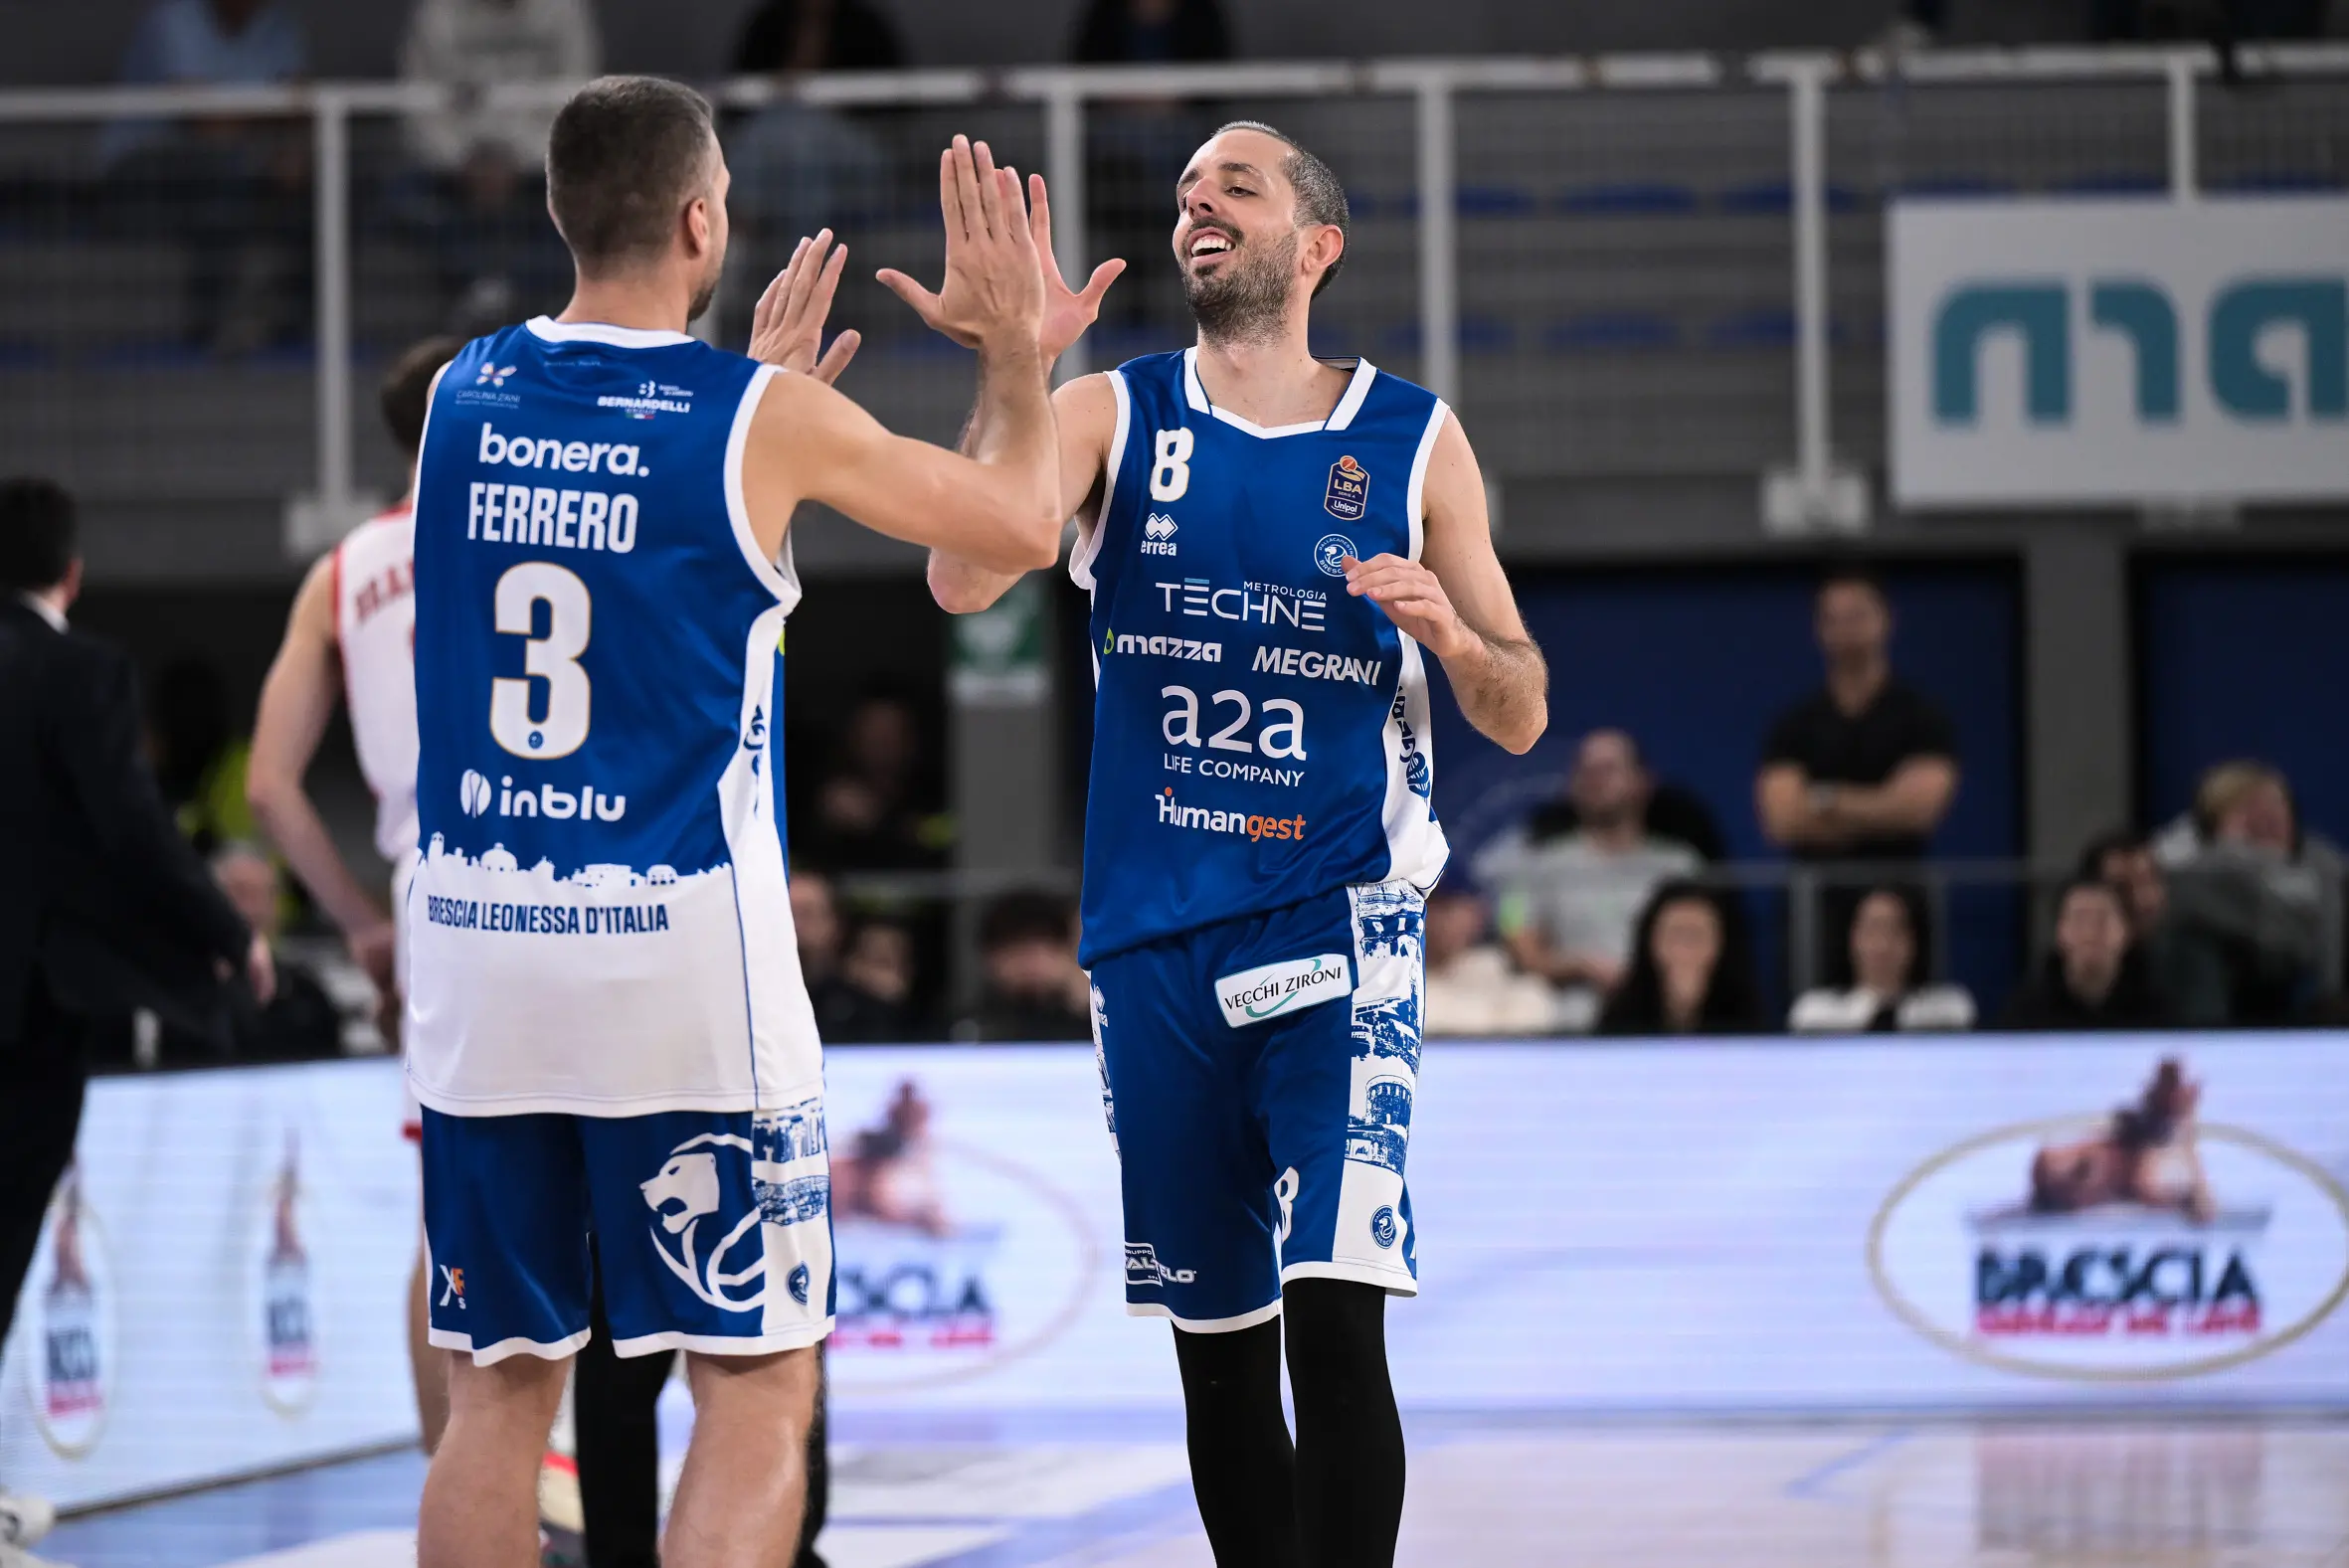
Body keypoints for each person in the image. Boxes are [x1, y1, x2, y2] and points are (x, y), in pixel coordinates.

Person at [403, 76, 1060, 1568]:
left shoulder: (459, 394)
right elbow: (1020, 525)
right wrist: (1012, 349)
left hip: (482, 952)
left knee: (495, 1394)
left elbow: (632, 527)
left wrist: (741, 435)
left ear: (567, 212)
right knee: (757, 1386)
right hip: (675, 962)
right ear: (704, 221)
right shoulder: (753, 417)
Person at [917, 121, 1548, 1567]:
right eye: (1188, 190)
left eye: (1236, 188)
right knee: (1218, 1348)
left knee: (1335, 1315)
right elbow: (961, 572)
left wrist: (1453, 637)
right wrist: (1015, 360)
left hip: (1339, 920)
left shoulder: (1412, 436)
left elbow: (1517, 709)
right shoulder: (1108, 413)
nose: (1199, 204)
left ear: (1312, 245)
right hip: (1153, 943)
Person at [1, 477, 271, 1568]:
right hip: (27, 1011)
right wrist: (230, 930)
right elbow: (132, 829)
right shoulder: (82, 670)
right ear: (70, 572)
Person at [248, 333, 458, 1451]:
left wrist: (368, 927)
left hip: (429, 891)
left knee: (451, 1221)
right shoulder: (550, 517)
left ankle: (465, 1491)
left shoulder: (343, 570)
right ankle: (576, 1479)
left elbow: (271, 786)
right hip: (573, 865)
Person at [1755, 569, 1960, 987]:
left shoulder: (1922, 717)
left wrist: (1826, 800)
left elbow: (1918, 811)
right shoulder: (1795, 724)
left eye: (1858, 615)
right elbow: (1783, 821)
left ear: (1887, 619)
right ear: (1819, 629)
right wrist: (1880, 804)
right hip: (1817, 908)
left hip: (1901, 901)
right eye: (1835, 618)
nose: (1847, 628)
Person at [104, 0, 311, 355]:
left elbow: (301, 104)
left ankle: (294, 330)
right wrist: (270, 114)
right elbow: (204, 122)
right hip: (142, 167)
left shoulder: (275, 23)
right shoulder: (175, 19)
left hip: (239, 164)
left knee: (314, 186)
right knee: (221, 176)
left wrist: (290, 150)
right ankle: (209, 328)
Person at [399, 0, 600, 330]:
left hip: (540, 167)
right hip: (455, 170)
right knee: (403, 199)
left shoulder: (563, 10)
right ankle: (487, 292)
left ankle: (504, 295)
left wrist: (518, 158)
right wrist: (465, 159)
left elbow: (577, 97)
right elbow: (418, 105)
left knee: (589, 203)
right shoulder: (439, 13)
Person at [1485, 729, 1703, 1030]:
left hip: (1661, 1017)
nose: (1595, 780)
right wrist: (1581, 966)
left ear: (1643, 782)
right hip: (1567, 1019)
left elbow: (1704, 948)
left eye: (1609, 769)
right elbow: (1516, 935)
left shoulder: (1680, 865)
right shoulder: (1537, 863)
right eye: (1586, 770)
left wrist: (1644, 978)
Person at [2151, 761, 2344, 1024]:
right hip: (2228, 1002)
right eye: (2250, 809)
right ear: (2215, 823)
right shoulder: (2183, 878)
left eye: (2276, 806)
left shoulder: (2329, 874)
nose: (2267, 818)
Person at [2078, 827, 2232, 1028]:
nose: (2144, 900)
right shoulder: (2067, 970)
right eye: (2122, 888)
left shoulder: (2191, 963)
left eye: (2151, 881)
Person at [207, 842, 344, 1059]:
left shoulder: (306, 994)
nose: (253, 909)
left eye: (265, 895)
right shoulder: (187, 992)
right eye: (240, 892)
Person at [1787, 883, 1974, 1033]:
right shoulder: (1815, 1013)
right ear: (1850, 938)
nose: (1883, 945)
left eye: (1894, 931)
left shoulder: (1949, 1010)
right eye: (1872, 930)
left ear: (1916, 940)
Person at [1996, 876, 2170, 1030]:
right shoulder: (2027, 1013)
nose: (2090, 934)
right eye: (2079, 919)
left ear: (2126, 932)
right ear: (2060, 933)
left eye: (2102, 920)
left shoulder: (2157, 1009)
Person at [1595, 882, 1760, 1036]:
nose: (1684, 950)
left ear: (1721, 944)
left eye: (1695, 936)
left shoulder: (1746, 1010)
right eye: (1675, 935)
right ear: (1650, 942)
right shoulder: (1622, 1010)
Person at [952, 891, 1090, 1041]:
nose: (1030, 965)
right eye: (1015, 952)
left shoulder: (1103, 1024)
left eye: (1038, 950)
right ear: (989, 958)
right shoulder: (967, 1029)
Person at [1420, 887, 1555, 1037]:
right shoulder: (1404, 980)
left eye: (1456, 909)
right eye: (1439, 908)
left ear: (1478, 914)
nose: (1447, 921)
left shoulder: (1498, 973)